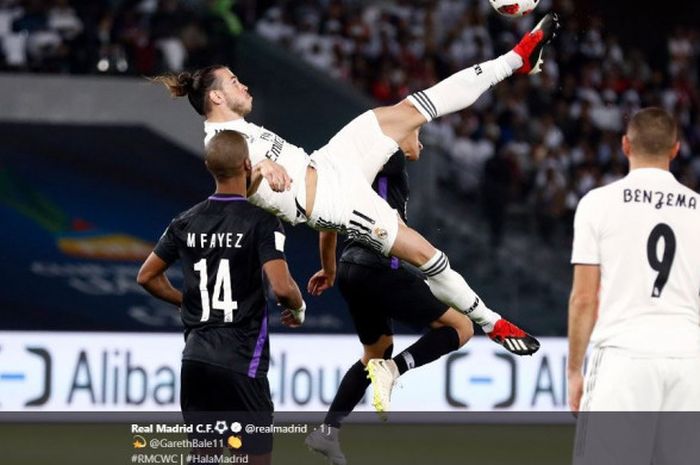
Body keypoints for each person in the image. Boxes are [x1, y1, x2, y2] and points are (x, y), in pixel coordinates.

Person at [153, 13, 561, 356]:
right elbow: (235, 190)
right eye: (233, 82)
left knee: (410, 109)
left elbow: (280, 173)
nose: (242, 84)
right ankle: (492, 321)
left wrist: (329, 266)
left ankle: (516, 59)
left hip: (331, 163)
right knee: (426, 255)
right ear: (217, 99)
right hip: (336, 201)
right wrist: (260, 173)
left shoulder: (240, 127)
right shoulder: (220, 142)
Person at [137, 130, 306, 465]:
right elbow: (282, 287)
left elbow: (147, 276)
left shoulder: (184, 222)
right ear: (247, 164)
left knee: (204, 457)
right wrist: (298, 307)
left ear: (208, 166)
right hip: (241, 361)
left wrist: (186, 302)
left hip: (196, 359)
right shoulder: (262, 222)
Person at [304, 150, 474, 465]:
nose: (420, 144)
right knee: (461, 327)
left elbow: (326, 220)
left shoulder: (350, 171)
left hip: (350, 268)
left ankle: (328, 431)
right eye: (416, 132)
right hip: (377, 267)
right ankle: (394, 370)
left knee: (376, 352)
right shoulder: (386, 152)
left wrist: (329, 269)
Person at [567, 108, 700, 464]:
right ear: (675, 150)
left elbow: (583, 298)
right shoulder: (698, 210)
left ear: (626, 145)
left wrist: (574, 370)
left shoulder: (597, 204)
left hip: (623, 357)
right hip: (689, 359)